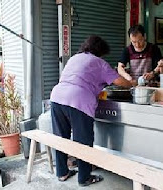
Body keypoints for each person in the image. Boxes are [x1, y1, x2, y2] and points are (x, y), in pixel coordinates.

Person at [50, 35, 123, 186]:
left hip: (57, 96)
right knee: (83, 141)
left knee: (61, 138)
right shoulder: (99, 62)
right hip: (79, 100)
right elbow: (120, 82)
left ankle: (62, 173)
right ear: (100, 51)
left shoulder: (75, 58)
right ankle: (84, 177)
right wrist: (133, 82)